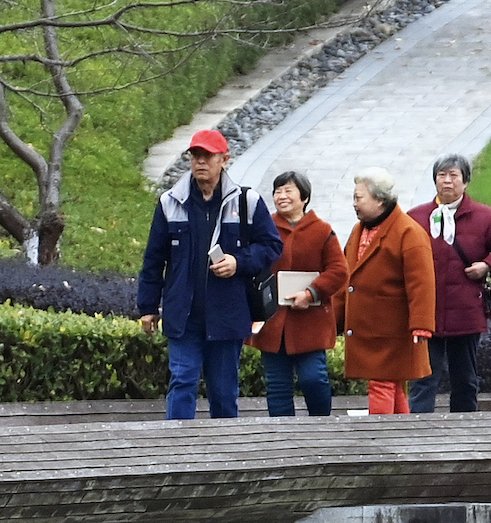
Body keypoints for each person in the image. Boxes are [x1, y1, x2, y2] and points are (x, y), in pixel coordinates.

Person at [137, 129, 280, 420]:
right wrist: (148, 307)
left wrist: (238, 262)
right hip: (183, 315)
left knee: (224, 393)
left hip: (227, 316)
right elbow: (154, 258)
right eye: (195, 156)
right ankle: (177, 455)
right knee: (182, 382)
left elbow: (272, 246)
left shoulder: (246, 201)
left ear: (224, 160)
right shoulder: (170, 202)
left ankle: (225, 458)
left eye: (208, 156)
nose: (200, 162)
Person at [405, 155, 491, 414]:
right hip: (426, 312)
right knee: (423, 379)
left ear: (465, 181)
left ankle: (465, 433)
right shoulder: (415, 217)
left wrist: (488, 266)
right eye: (441, 175)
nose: (447, 181)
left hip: (465, 310)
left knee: (465, 380)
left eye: (453, 175)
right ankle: (416, 433)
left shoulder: (484, 216)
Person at [249, 170, 349, 418]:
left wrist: (312, 292)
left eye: (288, 190)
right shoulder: (264, 228)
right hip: (273, 322)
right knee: (277, 387)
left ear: (304, 197)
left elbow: (339, 270)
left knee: (314, 379)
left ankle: (321, 428)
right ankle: (284, 438)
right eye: (277, 191)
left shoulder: (322, 230)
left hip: (310, 323)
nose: (281, 196)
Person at [336, 169, 435, 415]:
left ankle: (379, 438)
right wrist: (335, 318)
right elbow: (347, 276)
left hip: (392, 328)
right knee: (393, 383)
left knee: (382, 383)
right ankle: (402, 435)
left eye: (359, 197)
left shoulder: (408, 232)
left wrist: (421, 324)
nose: (354, 203)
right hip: (370, 326)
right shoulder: (359, 229)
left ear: (379, 200)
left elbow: (421, 282)